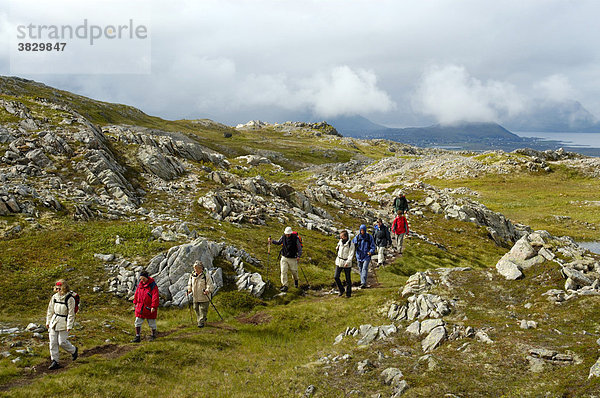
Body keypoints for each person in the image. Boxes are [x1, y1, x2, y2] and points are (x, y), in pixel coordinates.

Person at [46, 279, 78, 370]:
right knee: (52, 342)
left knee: (62, 342)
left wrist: (69, 325)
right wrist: (48, 321)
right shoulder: (54, 297)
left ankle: (74, 350)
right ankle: (55, 361)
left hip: (63, 321)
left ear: (64, 288)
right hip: (54, 321)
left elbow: (71, 313)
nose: (58, 290)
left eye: (60, 288)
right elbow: (50, 310)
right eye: (57, 288)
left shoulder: (70, 298)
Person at [269, 226, 302, 292]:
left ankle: (296, 281)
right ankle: (285, 285)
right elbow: (278, 242)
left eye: (288, 234)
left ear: (291, 233)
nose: (287, 235)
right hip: (284, 257)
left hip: (293, 258)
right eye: (286, 234)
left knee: (294, 272)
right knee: (283, 271)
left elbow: (299, 248)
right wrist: (271, 241)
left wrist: (299, 256)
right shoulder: (283, 237)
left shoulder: (296, 238)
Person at [132, 270, 159, 342]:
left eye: (143, 278)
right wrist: (135, 302)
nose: (142, 280)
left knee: (152, 323)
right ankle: (137, 337)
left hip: (149, 308)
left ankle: (153, 335)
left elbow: (155, 296)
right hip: (140, 307)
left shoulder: (153, 286)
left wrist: (153, 306)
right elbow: (136, 294)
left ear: (146, 278)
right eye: (141, 278)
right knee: (137, 322)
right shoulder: (140, 285)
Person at [187, 261, 215, 328]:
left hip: (204, 296)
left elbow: (210, 284)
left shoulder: (206, 275)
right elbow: (189, 283)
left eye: (197, 269)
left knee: (203, 309)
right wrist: (189, 289)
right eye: (194, 268)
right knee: (195, 308)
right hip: (195, 296)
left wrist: (207, 290)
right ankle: (202, 319)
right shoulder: (192, 275)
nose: (195, 270)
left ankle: (201, 322)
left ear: (201, 269)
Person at [352, 224, 376, 289]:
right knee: (360, 269)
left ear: (365, 230)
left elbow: (373, 246)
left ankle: (363, 283)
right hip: (359, 256)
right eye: (361, 230)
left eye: (363, 230)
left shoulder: (369, 237)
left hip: (366, 256)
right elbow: (352, 245)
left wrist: (371, 252)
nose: (362, 231)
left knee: (364, 268)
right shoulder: (357, 237)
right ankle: (363, 281)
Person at [334, 230, 355, 298]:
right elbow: (338, 245)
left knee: (348, 279)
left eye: (342, 237)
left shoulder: (351, 244)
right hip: (339, 261)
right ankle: (341, 289)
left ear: (345, 237)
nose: (341, 238)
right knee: (336, 276)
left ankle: (348, 293)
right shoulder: (340, 241)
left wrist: (348, 262)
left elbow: (351, 254)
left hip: (346, 262)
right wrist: (337, 247)